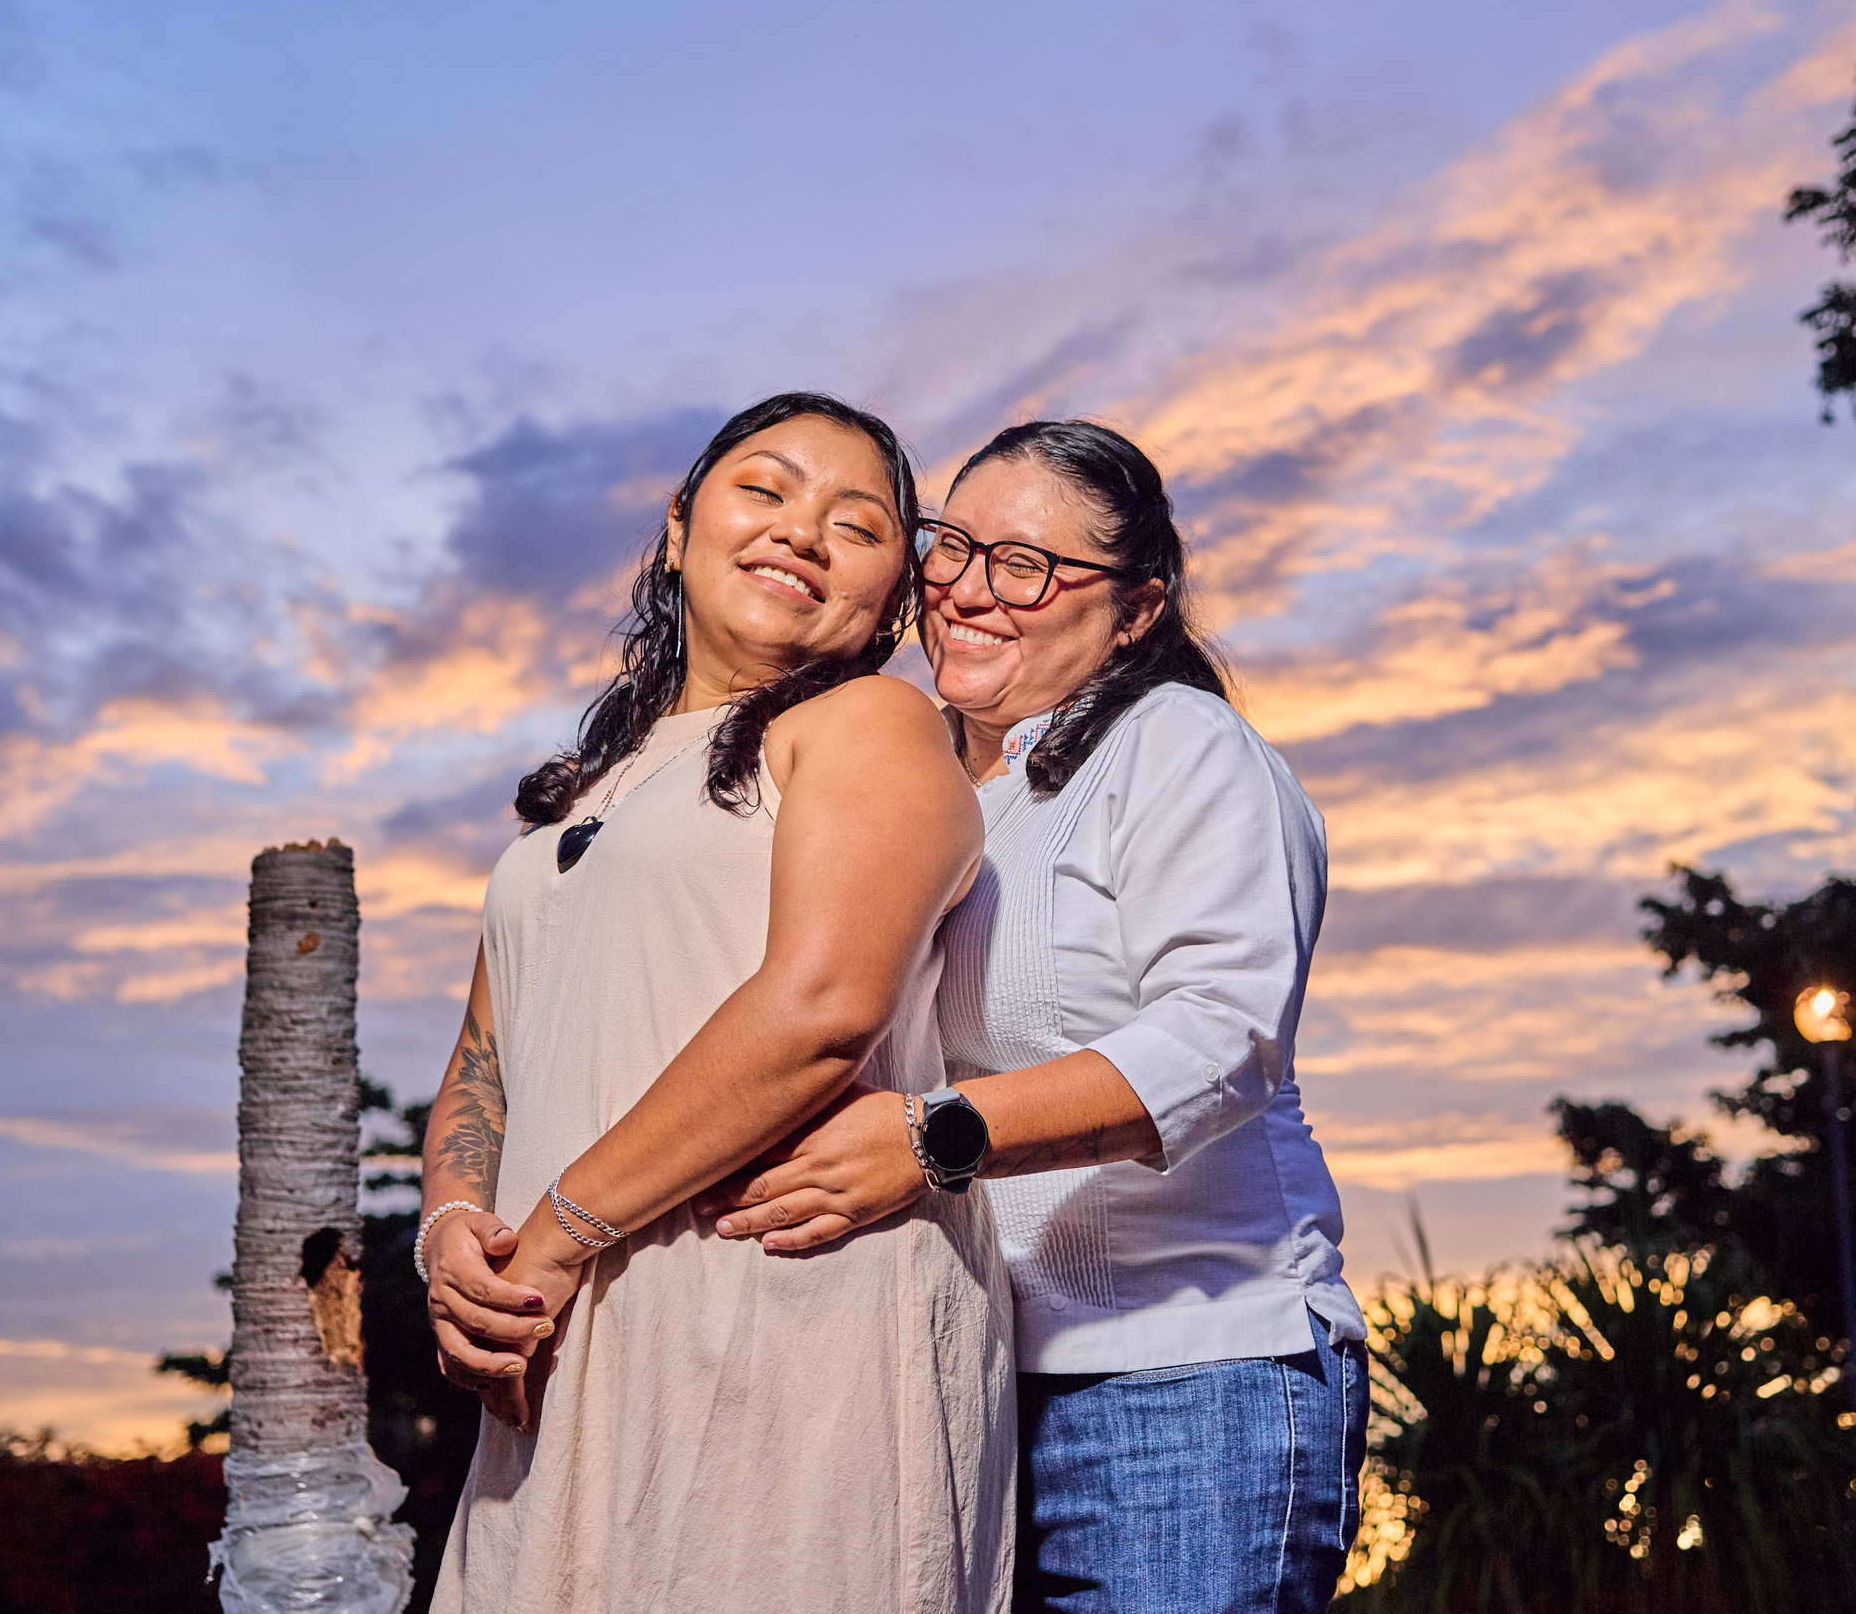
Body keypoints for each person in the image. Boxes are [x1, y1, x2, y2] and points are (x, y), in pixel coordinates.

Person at [699, 420, 1367, 1613]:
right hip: (974, 1381)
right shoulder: (935, 784)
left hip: (1186, 1375)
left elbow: (1223, 1035)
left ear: (1136, 608)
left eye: (1027, 566)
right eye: (952, 547)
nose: (965, 591)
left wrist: (927, 1136)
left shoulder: (1181, 747)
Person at [413, 393, 1010, 1613]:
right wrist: (451, 1239)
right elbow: (486, 1055)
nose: (804, 530)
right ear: (679, 528)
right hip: (557, 1340)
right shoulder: (584, 793)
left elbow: (825, 1007)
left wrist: (561, 1231)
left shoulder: (870, 723)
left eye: (858, 522)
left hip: (781, 1317)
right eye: (766, 489)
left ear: (895, 597)